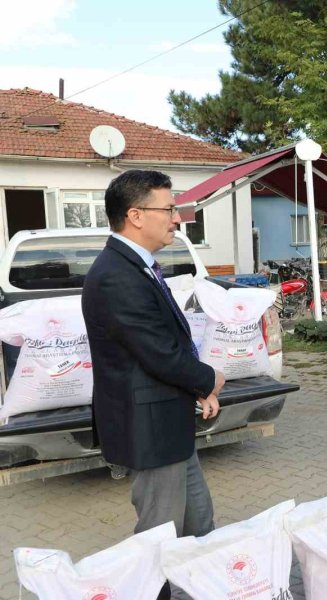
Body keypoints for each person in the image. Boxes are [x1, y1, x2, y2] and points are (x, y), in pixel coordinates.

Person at [82, 170, 225, 600]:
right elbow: (158, 352)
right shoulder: (116, 275)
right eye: (170, 209)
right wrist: (208, 378)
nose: (178, 218)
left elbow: (164, 342)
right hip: (151, 430)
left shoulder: (136, 266)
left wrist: (198, 389)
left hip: (169, 421)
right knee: (159, 540)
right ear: (136, 215)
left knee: (199, 524)